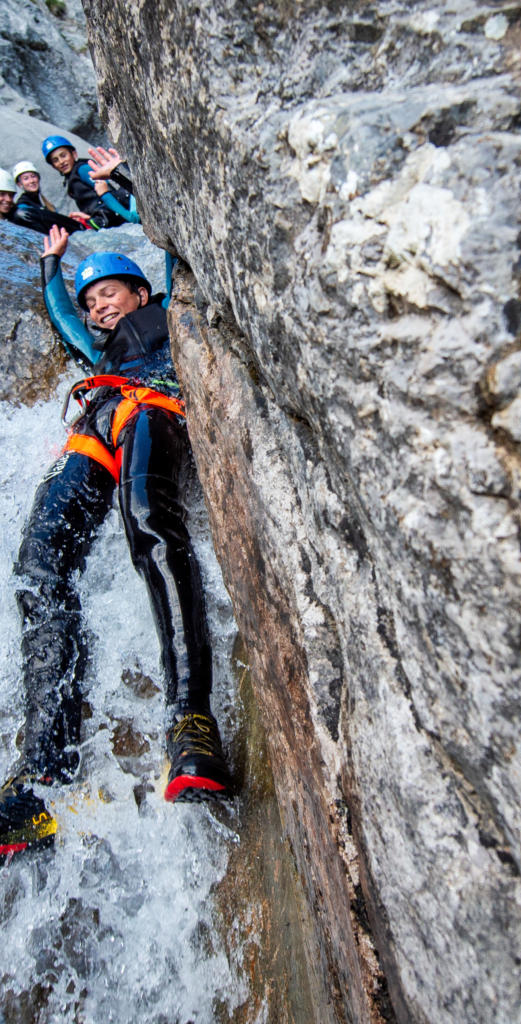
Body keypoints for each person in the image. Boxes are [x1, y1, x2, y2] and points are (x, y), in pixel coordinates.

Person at [0, 225, 233, 859]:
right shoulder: (94, 348)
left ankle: (192, 721)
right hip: (94, 423)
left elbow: (174, 239)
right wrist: (51, 267)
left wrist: (133, 179)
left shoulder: (165, 312)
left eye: (110, 293)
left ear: (139, 291)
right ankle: (41, 773)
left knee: (147, 516)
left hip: (152, 401)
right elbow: (60, 313)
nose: (100, 306)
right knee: (40, 561)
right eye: (92, 299)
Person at [41, 135, 133, 229]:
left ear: (74, 154)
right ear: (53, 166)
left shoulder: (83, 169)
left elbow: (106, 190)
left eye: (63, 155)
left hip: (111, 216)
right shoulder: (73, 177)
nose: (61, 162)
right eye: (55, 160)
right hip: (105, 217)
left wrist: (124, 215)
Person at [0, 167, 86, 236]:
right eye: (2, 194)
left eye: (11, 195)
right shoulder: (22, 211)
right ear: (20, 184)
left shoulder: (40, 202)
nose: (8, 199)